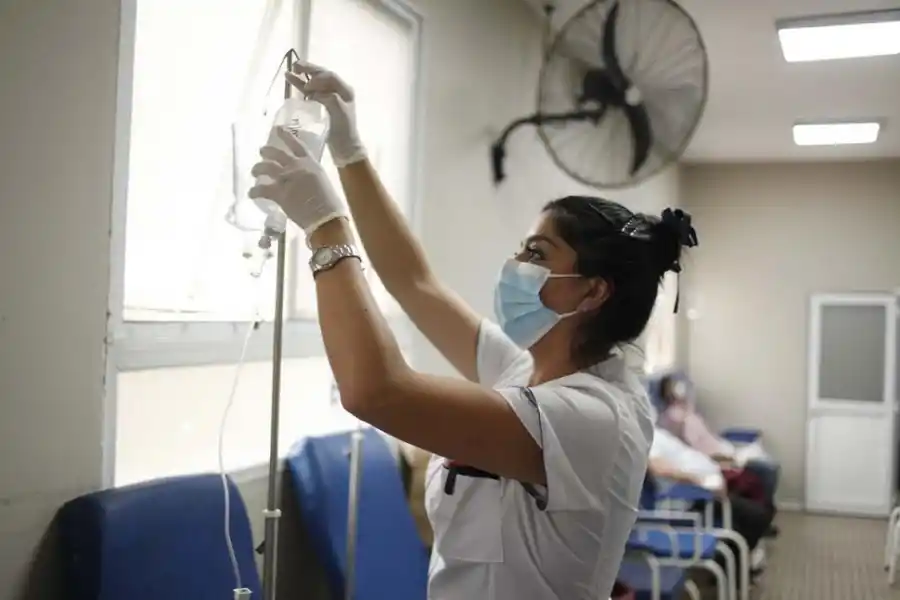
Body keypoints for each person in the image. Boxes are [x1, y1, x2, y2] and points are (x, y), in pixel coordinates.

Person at [248, 62, 697, 600]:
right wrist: (349, 149)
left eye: (537, 253)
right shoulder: (526, 372)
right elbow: (414, 283)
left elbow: (377, 391)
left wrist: (326, 226)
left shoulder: (594, 417)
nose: (514, 263)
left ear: (592, 291)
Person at [647, 428, 775, 584]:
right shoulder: (649, 439)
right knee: (758, 515)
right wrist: (701, 482)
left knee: (758, 508)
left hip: (710, 485)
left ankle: (734, 568)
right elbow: (660, 470)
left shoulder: (660, 433)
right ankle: (731, 570)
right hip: (692, 498)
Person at [657, 374, 781, 507]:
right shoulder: (672, 418)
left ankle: (762, 515)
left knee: (768, 467)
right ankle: (759, 514)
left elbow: (706, 436)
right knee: (766, 470)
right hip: (717, 458)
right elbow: (692, 448)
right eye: (675, 387)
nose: (680, 391)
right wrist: (729, 461)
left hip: (722, 449)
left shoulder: (688, 410)